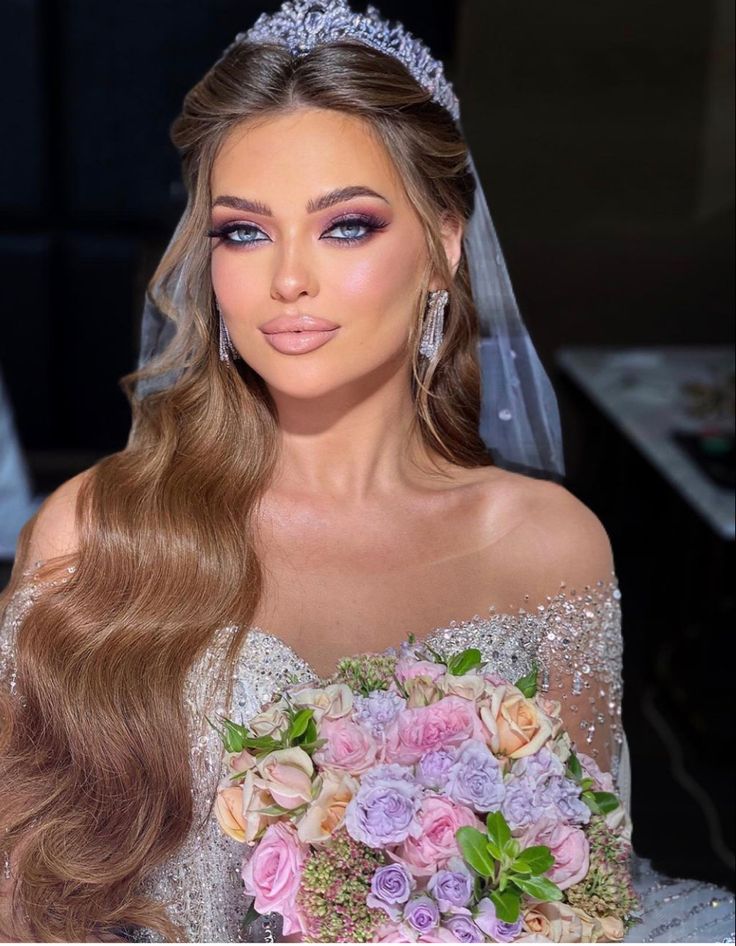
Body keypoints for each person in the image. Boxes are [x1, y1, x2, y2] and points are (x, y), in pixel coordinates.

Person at [1, 1, 733, 942]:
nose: (288, 279)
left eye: (346, 226)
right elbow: (18, 884)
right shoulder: (99, 529)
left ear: (444, 243)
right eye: (243, 232)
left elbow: (578, 893)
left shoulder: (547, 547)